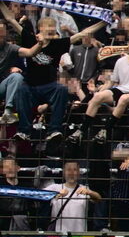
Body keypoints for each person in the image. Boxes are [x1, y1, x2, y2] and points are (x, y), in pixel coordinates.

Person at [9, 13, 103, 144]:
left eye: (54, 26)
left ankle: (54, 130)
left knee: (62, 89)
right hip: (30, 85)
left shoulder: (58, 43)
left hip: (49, 86)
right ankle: (24, 131)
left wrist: (104, 22)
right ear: (40, 27)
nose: (52, 29)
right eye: (49, 26)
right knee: (20, 90)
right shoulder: (30, 39)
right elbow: (10, 19)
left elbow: (83, 33)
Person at [72, 33, 129, 143]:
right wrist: (96, 95)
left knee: (124, 99)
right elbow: (111, 82)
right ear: (128, 44)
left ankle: (105, 131)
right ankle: (81, 131)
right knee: (98, 96)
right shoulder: (120, 61)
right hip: (122, 89)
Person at [46, 160, 101, 232]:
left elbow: (98, 198)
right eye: (68, 169)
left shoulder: (84, 188)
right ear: (64, 173)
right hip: (59, 234)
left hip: (80, 235)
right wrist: (57, 194)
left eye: (75, 170)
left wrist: (89, 192)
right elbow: (37, 195)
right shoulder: (54, 187)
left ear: (78, 173)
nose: (71, 173)